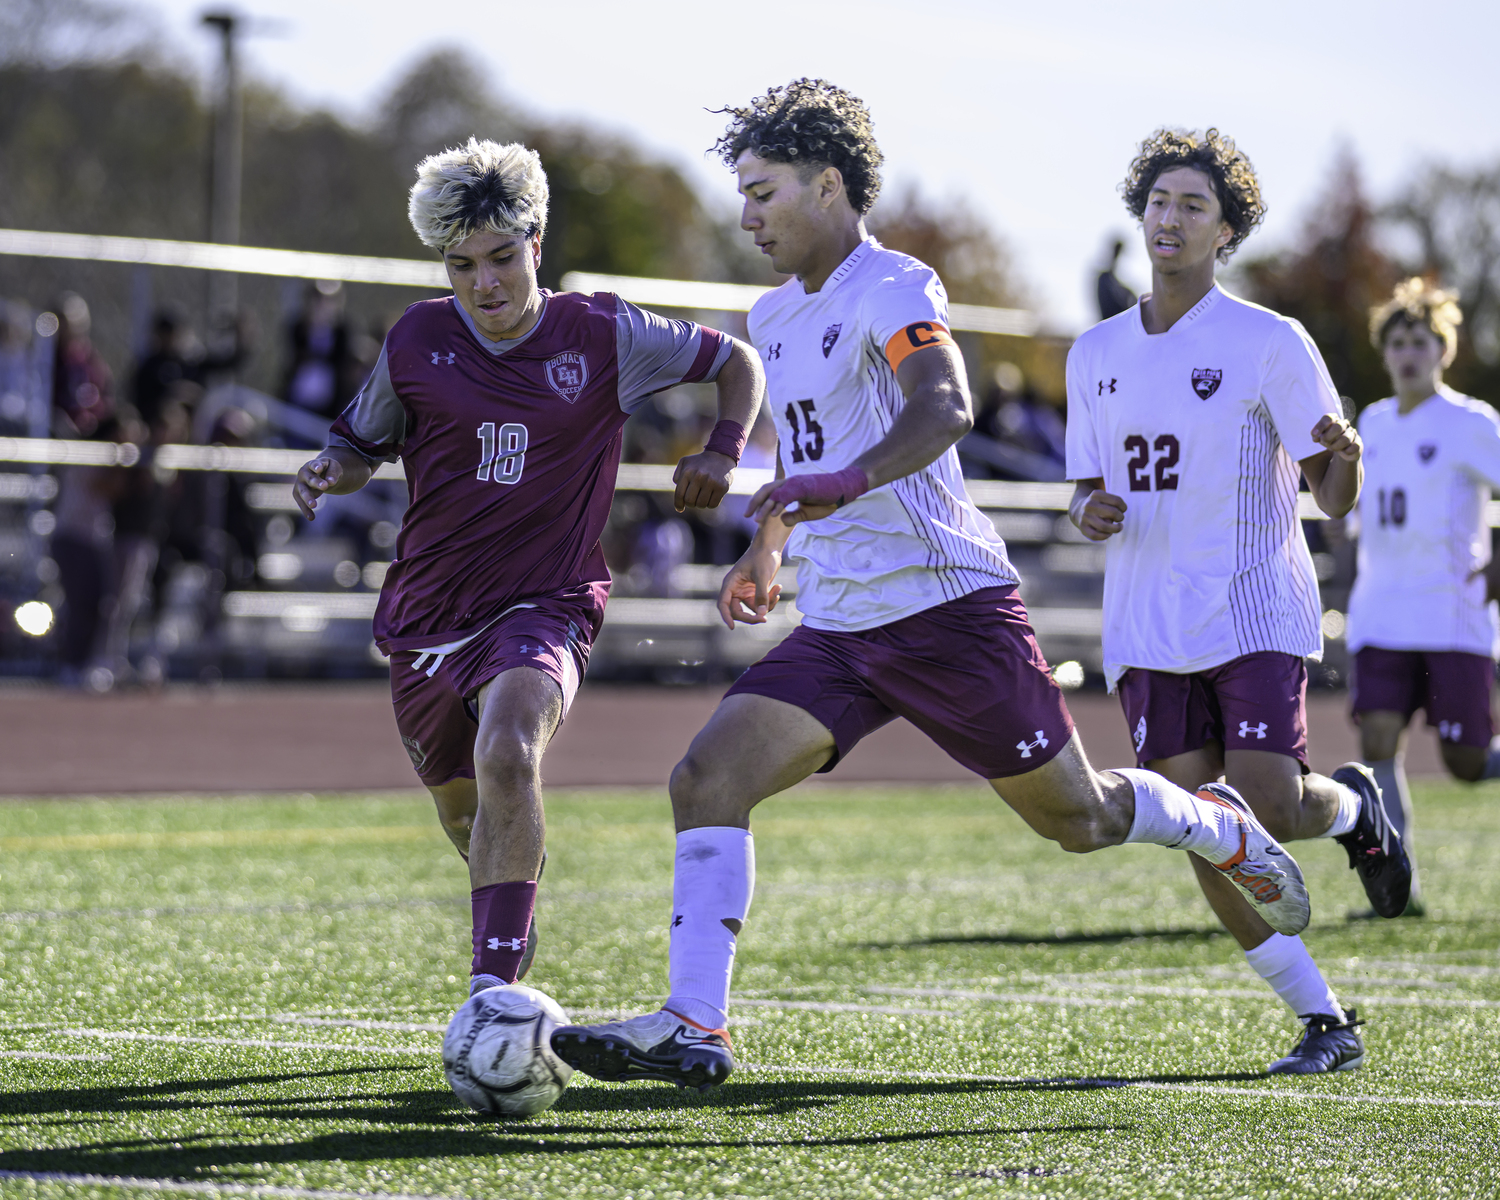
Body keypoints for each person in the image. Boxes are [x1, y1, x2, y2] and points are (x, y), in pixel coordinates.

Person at [552, 81, 1315, 1093]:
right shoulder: (773, 313)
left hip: (949, 614)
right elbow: (811, 446)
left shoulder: (895, 286)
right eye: (740, 194)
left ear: (829, 187)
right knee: (705, 777)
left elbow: (945, 406)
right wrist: (769, 544)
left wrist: (845, 480)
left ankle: (1215, 825)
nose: (746, 216)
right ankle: (697, 1023)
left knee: (1077, 822)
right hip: (841, 624)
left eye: (764, 192)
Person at [293, 138, 763, 1000]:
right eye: (462, 265)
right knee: (465, 815)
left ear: (536, 243)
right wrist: (331, 468)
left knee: (509, 752)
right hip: (428, 620)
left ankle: (492, 995)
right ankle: (510, 909)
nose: (486, 283)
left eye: (503, 257)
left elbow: (739, 362)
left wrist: (724, 451)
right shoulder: (417, 338)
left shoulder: (603, 331)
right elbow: (357, 443)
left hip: (546, 604)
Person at [1065, 128, 1413, 1074]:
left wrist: (1344, 459)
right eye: (1159, 203)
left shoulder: (1270, 341)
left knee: (1255, 806)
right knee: (1204, 834)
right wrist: (1087, 508)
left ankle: (1350, 812)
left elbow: (1331, 496)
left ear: (1227, 233)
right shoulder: (1092, 350)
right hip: (1146, 621)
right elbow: (1084, 488)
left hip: (1253, 604)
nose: (1169, 220)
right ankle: (1324, 1022)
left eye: (1193, 207)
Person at [1348, 278, 1500, 912]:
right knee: (1378, 741)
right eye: (1399, 341)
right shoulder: (1372, 423)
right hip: (1380, 610)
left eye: (1422, 340)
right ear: (1385, 353)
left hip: (1450, 614)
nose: (1409, 352)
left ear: (1445, 350)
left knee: (1465, 764)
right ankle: (1400, 889)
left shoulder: (1471, 422)